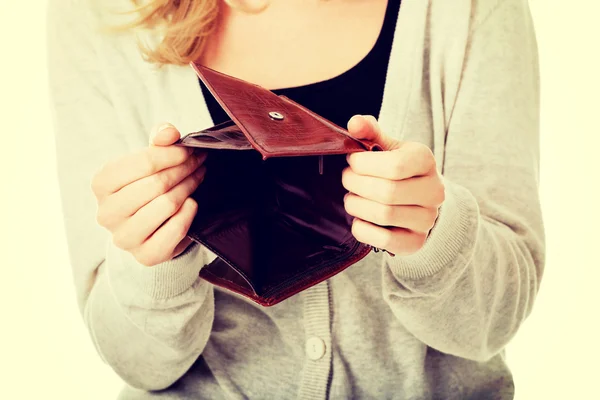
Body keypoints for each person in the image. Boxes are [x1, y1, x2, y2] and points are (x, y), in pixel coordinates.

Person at [47, 0, 545, 398]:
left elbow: (493, 324)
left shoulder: (471, 9)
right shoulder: (101, 14)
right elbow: (134, 360)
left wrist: (437, 237)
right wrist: (151, 264)